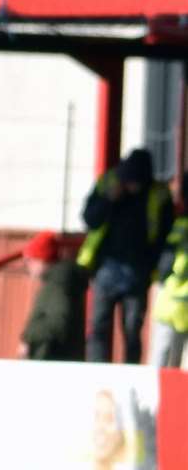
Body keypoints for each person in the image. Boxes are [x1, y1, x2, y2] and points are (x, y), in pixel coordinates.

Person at [78, 148, 173, 363]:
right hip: (106, 268)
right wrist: (110, 199)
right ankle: (97, 372)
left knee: (132, 332)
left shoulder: (158, 194)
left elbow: (164, 236)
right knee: (98, 327)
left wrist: (151, 267)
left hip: (138, 271)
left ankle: (131, 374)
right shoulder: (108, 183)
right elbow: (89, 218)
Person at [17, 230, 87, 361]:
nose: (28, 265)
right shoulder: (56, 281)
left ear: (42, 259)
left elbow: (59, 323)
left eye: (30, 260)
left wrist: (28, 337)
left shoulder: (58, 284)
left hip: (52, 359)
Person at [148, 205, 188, 370]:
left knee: (162, 354)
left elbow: (166, 262)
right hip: (176, 301)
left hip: (172, 298)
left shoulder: (181, 225)